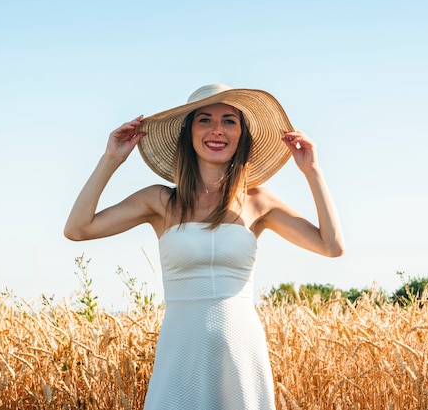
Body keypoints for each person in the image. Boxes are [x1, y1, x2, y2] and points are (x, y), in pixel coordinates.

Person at [64, 83, 344, 410]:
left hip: (241, 348)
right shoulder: (159, 200)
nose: (217, 130)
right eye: (204, 120)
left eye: (229, 121)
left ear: (242, 134)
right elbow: (78, 229)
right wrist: (110, 159)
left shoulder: (258, 203)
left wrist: (312, 171)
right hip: (182, 348)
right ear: (189, 132)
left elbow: (331, 245)